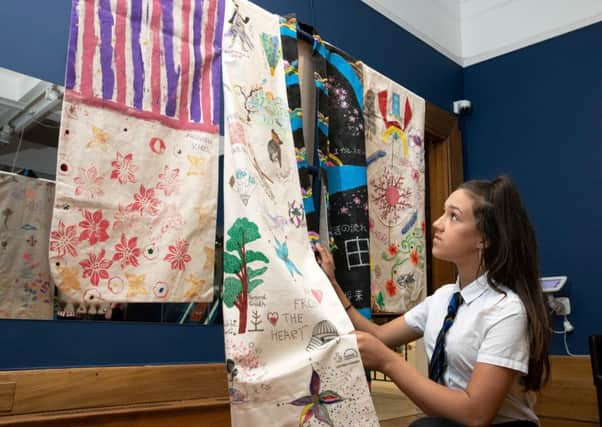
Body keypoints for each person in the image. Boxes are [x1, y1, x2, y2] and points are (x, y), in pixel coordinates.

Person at [315, 176, 550, 427]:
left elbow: (477, 414)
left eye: (454, 217)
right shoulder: (443, 298)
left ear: (484, 239)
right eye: (443, 214)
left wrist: (387, 361)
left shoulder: (507, 310)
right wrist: (333, 285)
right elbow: (378, 336)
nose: (437, 224)